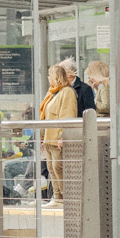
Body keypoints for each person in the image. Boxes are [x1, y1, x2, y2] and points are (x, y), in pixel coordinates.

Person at [40, 60, 79, 200]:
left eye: (50, 76)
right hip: (48, 138)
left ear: (56, 77)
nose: (48, 79)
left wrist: (63, 136)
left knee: (58, 167)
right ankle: (57, 196)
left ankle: (65, 197)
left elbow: (67, 115)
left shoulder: (67, 92)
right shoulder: (51, 93)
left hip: (57, 138)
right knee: (51, 167)